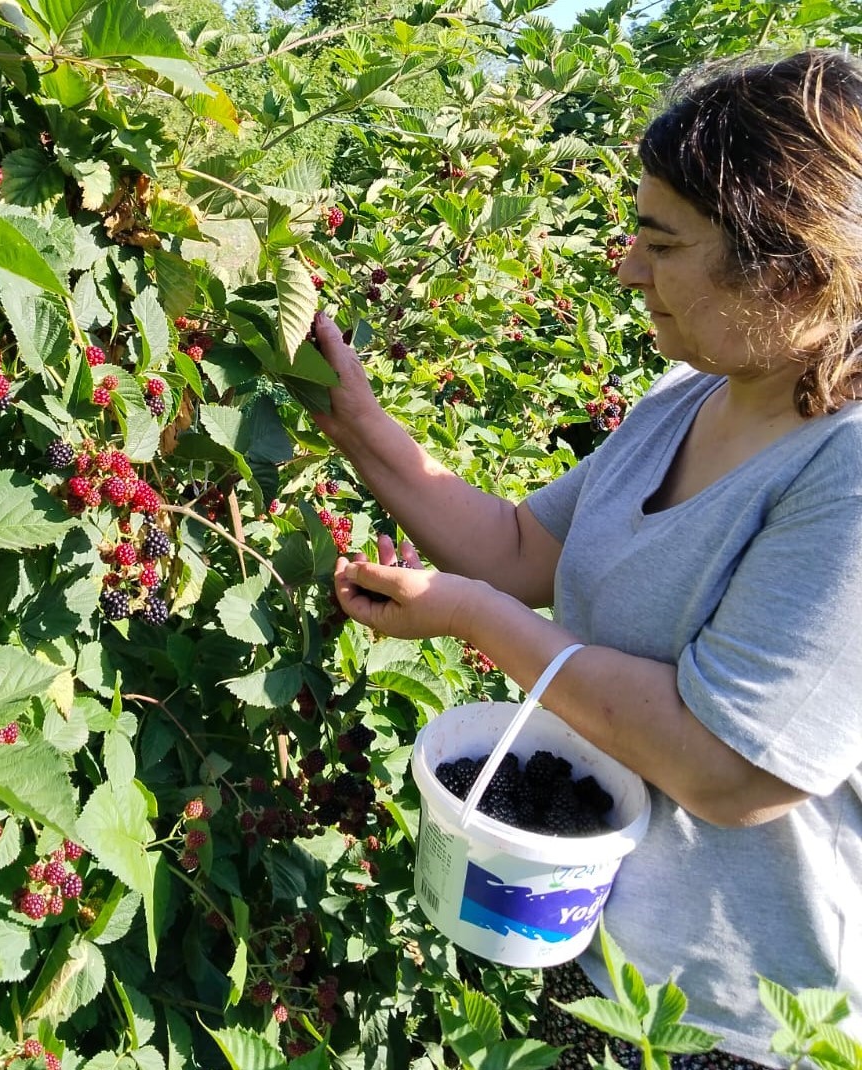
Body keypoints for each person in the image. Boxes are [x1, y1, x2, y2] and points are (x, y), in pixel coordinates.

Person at [309, 48, 862, 1070]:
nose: (626, 268)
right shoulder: (689, 398)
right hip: (598, 946)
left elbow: (734, 767)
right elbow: (523, 548)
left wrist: (475, 618)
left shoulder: (848, 465)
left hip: (742, 1026)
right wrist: (356, 421)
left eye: (661, 241)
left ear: (786, 262)